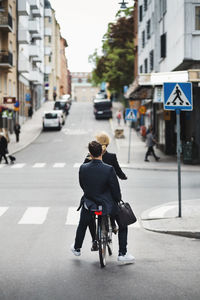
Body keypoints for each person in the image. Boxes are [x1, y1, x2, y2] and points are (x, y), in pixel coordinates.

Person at [71, 141, 134, 263]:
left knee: (82, 224)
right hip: (107, 205)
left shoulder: (83, 168)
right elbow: (115, 190)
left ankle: (77, 248)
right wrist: (117, 200)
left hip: (89, 204)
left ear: (90, 153)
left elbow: (82, 185)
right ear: (102, 152)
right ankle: (122, 253)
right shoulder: (109, 169)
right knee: (123, 224)